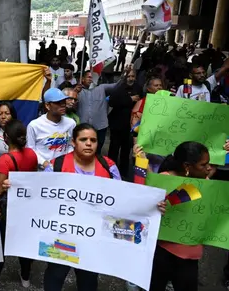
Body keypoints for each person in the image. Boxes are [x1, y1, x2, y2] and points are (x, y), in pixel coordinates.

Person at [41, 124, 165, 291]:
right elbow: (39, 196)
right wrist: (14, 187)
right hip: (62, 236)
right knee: (55, 276)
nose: (89, 143)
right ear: (73, 142)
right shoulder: (56, 166)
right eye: (83, 139)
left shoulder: (108, 166)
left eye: (93, 140)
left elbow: (123, 199)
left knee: (88, 280)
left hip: (93, 239)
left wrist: (152, 206)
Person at [136, 142, 212, 291]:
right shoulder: (164, 180)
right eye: (204, 165)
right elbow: (142, 203)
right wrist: (156, 207)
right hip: (162, 251)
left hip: (190, 256)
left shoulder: (207, 185)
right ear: (187, 167)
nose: (209, 168)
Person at [0, 119, 36, 291]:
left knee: (0, 245)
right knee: (24, 243)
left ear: (5, 137)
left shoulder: (5, 160)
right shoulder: (32, 154)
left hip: (7, 209)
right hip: (25, 206)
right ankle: (25, 278)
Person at [76, 67, 130, 154]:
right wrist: (75, 91)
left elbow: (117, 86)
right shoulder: (78, 90)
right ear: (82, 79)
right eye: (89, 77)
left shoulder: (102, 88)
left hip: (100, 126)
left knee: (97, 149)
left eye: (93, 77)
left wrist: (125, 74)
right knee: (82, 149)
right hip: (83, 126)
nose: (91, 79)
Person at [27, 88, 76, 170]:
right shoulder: (34, 125)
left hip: (63, 168)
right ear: (47, 106)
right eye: (58, 102)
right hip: (42, 171)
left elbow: (70, 145)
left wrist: (68, 159)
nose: (63, 105)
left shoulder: (71, 123)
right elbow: (30, 149)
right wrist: (44, 163)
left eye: (64, 101)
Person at [107, 69, 142, 179]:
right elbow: (112, 102)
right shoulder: (119, 88)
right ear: (124, 77)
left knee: (126, 151)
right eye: (128, 76)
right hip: (117, 124)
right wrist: (129, 99)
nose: (131, 78)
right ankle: (109, 170)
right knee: (114, 149)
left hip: (130, 126)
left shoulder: (138, 88)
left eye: (133, 76)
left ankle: (123, 174)